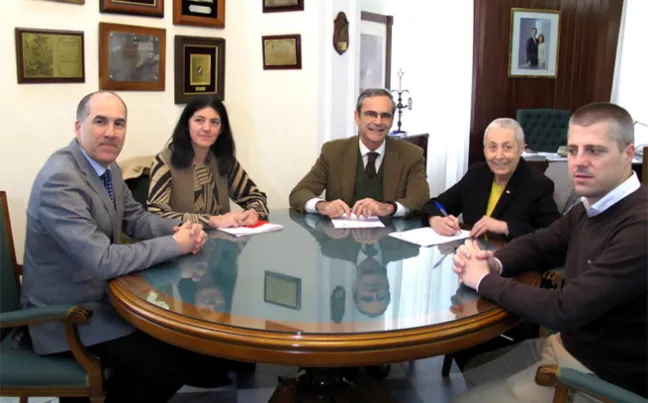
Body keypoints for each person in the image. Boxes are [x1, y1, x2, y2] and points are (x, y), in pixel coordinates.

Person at [20, 91, 235, 403]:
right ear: (77, 126)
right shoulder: (61, 180)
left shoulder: (106, 167)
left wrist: (176, 229)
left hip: (101, 299)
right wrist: (175, 244)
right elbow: (104, 260)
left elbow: (134, 219)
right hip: (66, 316)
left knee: (175, 347)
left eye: (119, 124)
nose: (111, 132)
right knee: (167, 368)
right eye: (100, 122)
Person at [452, 102, 647, 402]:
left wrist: (483, 280)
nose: (579, 162)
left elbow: (564, 309)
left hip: (601, 375)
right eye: (572, 150)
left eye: (594, 151)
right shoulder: (590, 206)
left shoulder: (639, 226)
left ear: (628, 154)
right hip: (566, 346)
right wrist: (494, 261)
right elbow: (540, 244)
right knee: (475, 367)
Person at [289, 88, 429, 218]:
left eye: (385, 115)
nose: (378, 122)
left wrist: (388, 208)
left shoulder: (411, 155)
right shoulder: (333, 152)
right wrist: (322, 206)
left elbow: (420, 200)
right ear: (357, 116)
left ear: (392, 120)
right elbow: (299, 193)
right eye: (370, 114)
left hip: (393, 239)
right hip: (341, 239)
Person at [423, 118, 560, 240]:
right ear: (484, 150)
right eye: (492, 147)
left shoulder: (538, 185)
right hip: (470, 258)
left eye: (507, 147)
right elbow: (435, 204)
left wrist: (506, 227)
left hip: (510, 262)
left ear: (521, 149)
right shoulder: (476, 174)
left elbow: (553, 237)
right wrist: (435, 220)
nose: (499, 155)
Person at [148, 94, 269, 229]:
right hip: (181, 245)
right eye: (199, 120)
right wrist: (213, 220)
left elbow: (256, 197)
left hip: (222, 245)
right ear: (187, 124)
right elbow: (157, 215)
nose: (207, 128)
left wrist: (253, 212)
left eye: (214, 122)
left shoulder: (223, 159)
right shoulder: (164, 162)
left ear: (221, 129)